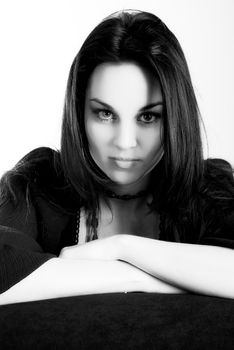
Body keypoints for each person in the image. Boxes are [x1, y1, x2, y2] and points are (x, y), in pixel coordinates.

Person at [0, 9, 234, 305]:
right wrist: (141, 278)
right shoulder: (38, 184)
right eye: (105, 113)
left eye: (148, 116)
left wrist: (121, 248)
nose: (125, 142)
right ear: (79, 113)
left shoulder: (209, 189)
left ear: (176, 117)